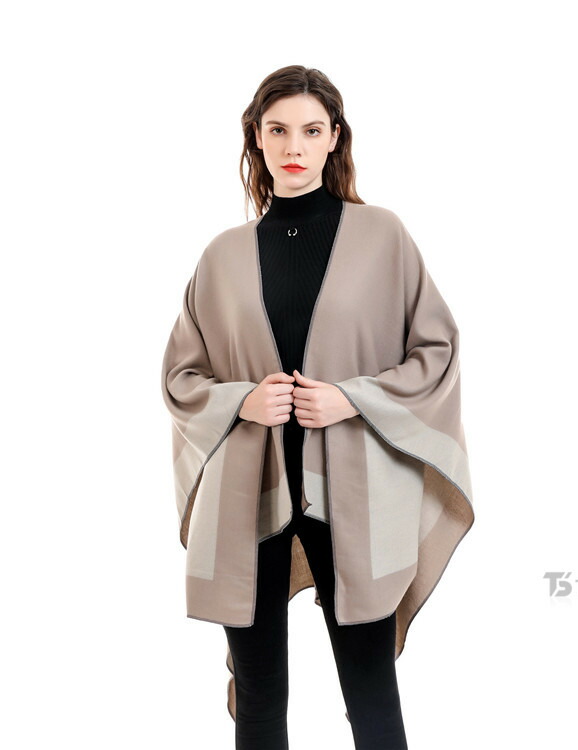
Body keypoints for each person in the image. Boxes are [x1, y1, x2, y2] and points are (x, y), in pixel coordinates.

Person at [162, 64, 474, 750]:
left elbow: (437, 352)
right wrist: (243, 400)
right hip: (247, 497)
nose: (293, 146)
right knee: (259, 696)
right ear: (257, 137)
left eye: (310, 130)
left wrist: (351, 399)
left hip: (355, 495)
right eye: (277, 130)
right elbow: (181, 376)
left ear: (335, 137)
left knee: (370, 693)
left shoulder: (383, 237)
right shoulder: (222, 256)